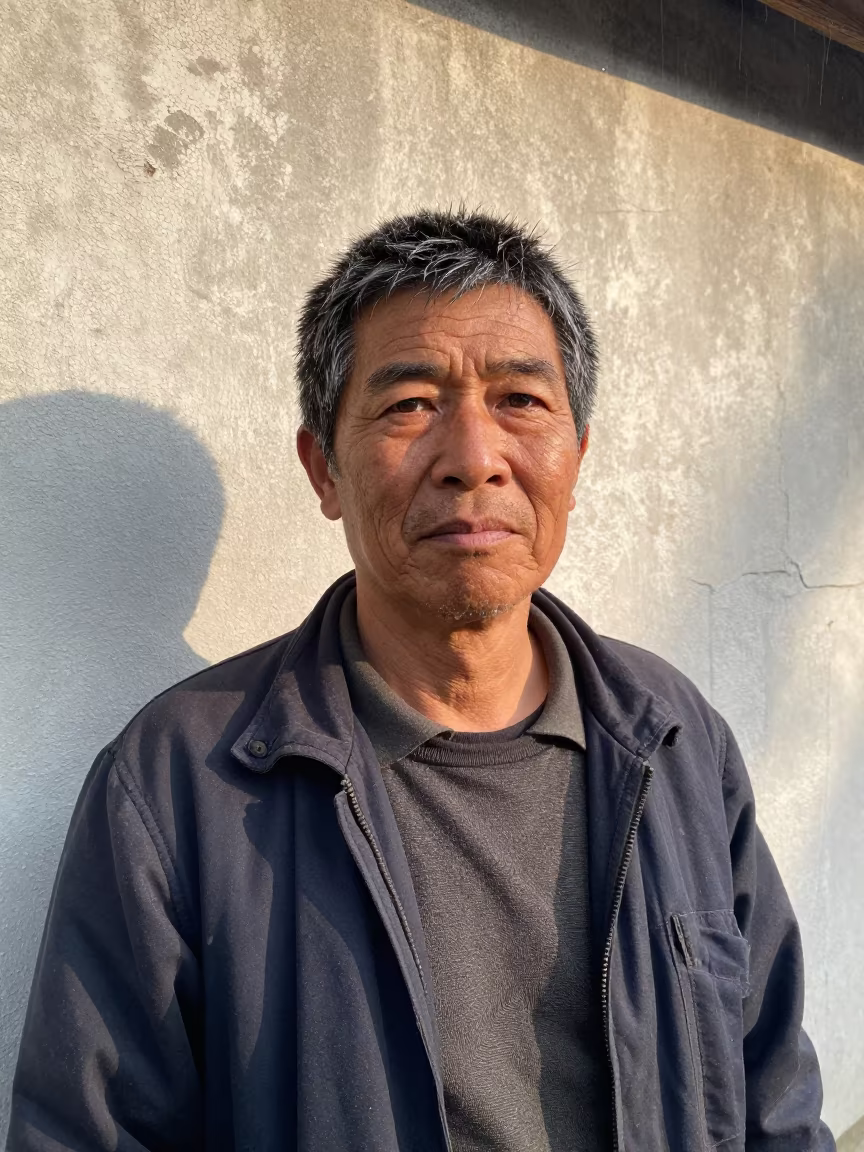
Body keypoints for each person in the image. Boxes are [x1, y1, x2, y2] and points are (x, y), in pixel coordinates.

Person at [8, 209, 834, 1152]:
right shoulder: (180, 782)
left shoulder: (675, 739)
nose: (474, 460)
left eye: (520, 400)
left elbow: (774, 1103)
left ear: (577, 457)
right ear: (323, 469)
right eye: (409, 404)